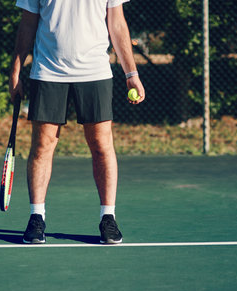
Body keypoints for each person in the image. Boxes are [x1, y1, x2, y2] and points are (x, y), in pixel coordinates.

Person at [9, 0, 145, 244]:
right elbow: (27, 25)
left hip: (95, 71)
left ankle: (108, 218)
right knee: (42, 146)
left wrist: (131, 73)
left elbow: (117, 24)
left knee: (101, 145)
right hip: (47, 71)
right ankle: (36, 217)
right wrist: (16, 69)